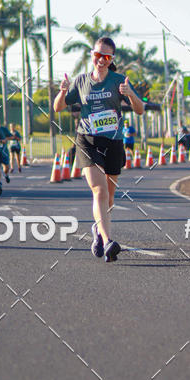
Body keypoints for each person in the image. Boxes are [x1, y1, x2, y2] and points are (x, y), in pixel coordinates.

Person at [54, 37, 144, 263]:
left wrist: (130, 93)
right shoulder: (81, 81)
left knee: (109, 197)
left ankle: (97, 230)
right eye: (97, 55)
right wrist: (63, 91)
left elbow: (140, 110)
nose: (101, 60)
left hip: (113, 142)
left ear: (111, 59)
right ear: (91, 55)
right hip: (87, 140)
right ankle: (108, 241)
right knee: (99, 191)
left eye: (106, 57)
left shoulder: (118, 81)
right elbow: (58, 107)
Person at [0, 116, 11, 183]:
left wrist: (5, 139)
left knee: (6, 167)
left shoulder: (4, 129)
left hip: (4, 151)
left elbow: (11, 136)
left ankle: (6, 175)